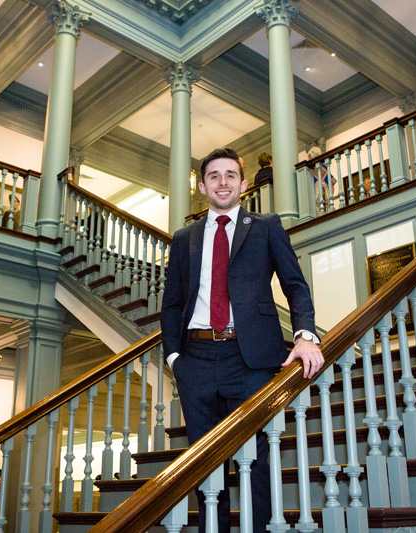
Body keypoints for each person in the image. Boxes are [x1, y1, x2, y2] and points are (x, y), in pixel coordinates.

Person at [161, 147, 323, 533]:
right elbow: (171, 304)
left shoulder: (266, 226)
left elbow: (295, 285)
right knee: (203, 464)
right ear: (202, 186)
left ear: (243, 184)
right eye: (214, 176)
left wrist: (304, 335)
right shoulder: (184, 238)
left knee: (256, 462)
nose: (222, 182)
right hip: (195, 361)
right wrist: (174, 360)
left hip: (251, 359)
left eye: (230, 175)